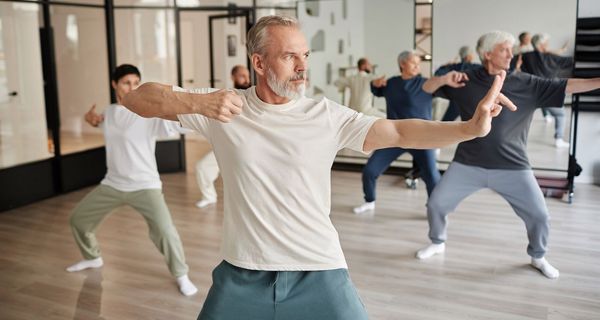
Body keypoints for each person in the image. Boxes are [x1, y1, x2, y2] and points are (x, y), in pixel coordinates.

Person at [122, 16, 515, 319]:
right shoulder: (221, 106)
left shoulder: (325, 115)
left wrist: (467, 128)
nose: (301, 66)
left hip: (319, 267)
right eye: (289, 55)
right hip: (242, 269)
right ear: (258, 62)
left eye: (305, 55)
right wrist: (197, 103)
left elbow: (396, 130)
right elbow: (136, 98)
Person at [416, 31, 600, 279]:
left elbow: (567, 86)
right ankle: (437, 241)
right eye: (505, 49)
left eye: (511, 50)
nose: (511, 55)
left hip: (513, 166)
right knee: (436, 204)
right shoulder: (464, 80)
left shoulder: (528, 83)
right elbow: (425, 88)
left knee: (539, 215)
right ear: (488, 53)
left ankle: (538, 256)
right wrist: (443, 79)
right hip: (468, 163)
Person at [66, 64, 198, 296]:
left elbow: (178, 125)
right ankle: (92, 257)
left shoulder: (148, 113)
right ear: (114, 84)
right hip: (113, 184)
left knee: (166, 232)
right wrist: (93, 120)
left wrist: (195, 109)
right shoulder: (110, 112)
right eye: (127, 82)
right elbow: (103, 122)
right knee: (79, 220)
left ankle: (181, 274)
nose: (133, 87)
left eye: (137, 82)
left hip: (145, 185)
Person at [353, 51, 466, 214]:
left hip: (421, 139)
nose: (417, 67)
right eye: (414, 63)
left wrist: (447, 77)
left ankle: (436, 209)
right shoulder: (391, 83)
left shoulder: (425, 84)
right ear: (402, 64)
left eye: (418, 64)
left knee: (432, 176)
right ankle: (369, 201)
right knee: (370, 171)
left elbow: (440, 84)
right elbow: (376, 90)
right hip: (394, 138)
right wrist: (375, 84)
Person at [195, 65, 251, 208]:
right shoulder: (224, 96)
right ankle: (209, 196)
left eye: (247, 76)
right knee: (202, 167)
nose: (246, 79)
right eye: (242, 76)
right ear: (233, 77)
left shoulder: (254, 96)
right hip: (228, 144)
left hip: (250, 146)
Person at [521, 33, 574, 148]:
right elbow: (570, 62)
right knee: (560, 115)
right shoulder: (551, 57)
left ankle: (546, 116)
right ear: (541, 45)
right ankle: (559, 139)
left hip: (531, 92)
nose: (547, 45)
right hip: (547, 92)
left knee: (538, 106)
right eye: (545, 43)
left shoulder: (526, 56)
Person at [434, 46, 481, 122]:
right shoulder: (476, 68)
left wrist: (445, 65)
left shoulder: (453, 67)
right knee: (474, 124)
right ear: (470, 56)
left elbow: (438, 74)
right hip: (471, 100)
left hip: (455, 100)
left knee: (446, 123)